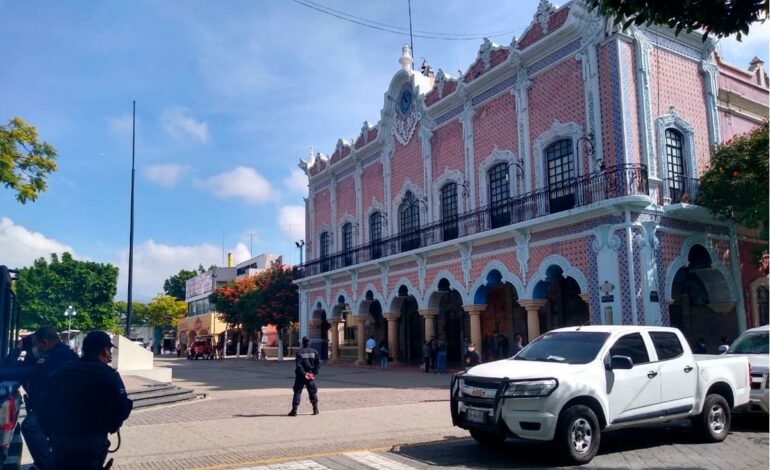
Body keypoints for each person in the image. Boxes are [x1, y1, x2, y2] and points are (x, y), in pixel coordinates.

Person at [38, 331, 133, 470]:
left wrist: (51, 432)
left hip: (60, 441)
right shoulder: (108, 375)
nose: (110, 353)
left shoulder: (61, 372)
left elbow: (42, 406)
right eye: (109, 349)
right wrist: (109, 427)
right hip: (91, 442)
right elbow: (122, 408)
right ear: (104, 350)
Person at [0, 327, 78, 470]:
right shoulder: (52, 354)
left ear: (45, 342)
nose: (35, 348)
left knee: (30, 426)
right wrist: (19, 349)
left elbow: (28, 372)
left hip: (60, 410)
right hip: (55, 409)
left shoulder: (58, 356)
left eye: (35, 344)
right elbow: (11, 368)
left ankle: (47, 466)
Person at [288, 336, 320, 416]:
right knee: (312, 391)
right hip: (310, 375)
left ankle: (294, 410)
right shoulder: (315, 352)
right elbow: (318, 364)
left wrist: (304, 374)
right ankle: (315, 409)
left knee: (297, 392)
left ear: (302, 343)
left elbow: (299, 365)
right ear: (310, 343)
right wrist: (313, 373)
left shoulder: (299, 352)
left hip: (300, 376)